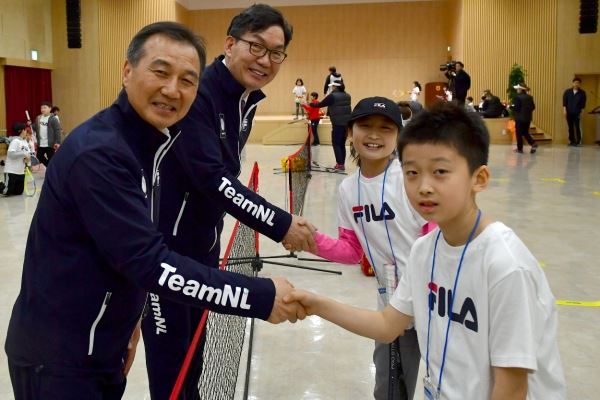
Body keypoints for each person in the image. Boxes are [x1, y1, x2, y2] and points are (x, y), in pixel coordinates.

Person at [5, 21, 304, 400]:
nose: (172, 90)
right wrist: (258, 297)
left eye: (187, 80)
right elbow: (151, 263)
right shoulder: (100, 155)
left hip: (101, 347)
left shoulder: (150, 147)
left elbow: (123, 250)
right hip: (59, 360)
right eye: (160, 72)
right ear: (127, 71)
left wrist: (130, 321)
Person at [287, 102, 566, 399]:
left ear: (479, 178)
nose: (424, 187)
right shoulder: (424, 252)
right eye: (413, 173)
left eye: (440, 171)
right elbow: (386, 325)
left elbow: (511, 387)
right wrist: (314, 302)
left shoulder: (506, 266)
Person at [142, 7, 314, 400]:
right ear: (230, 44)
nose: (266, 60)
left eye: (276, 52)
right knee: (172, 373)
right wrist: (279, 223)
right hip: (164, 256)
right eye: (256, 47)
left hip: (203, 247)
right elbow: (213, 180)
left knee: (196, 358)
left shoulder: (242, 98)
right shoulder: (200, 94)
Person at [306, 96, 434, 400]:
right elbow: (352, 249)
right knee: (390, 390)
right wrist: (311, 242)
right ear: (350, 132)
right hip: (392, 310)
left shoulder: (411, 178)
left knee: (449, 383)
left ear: (399, 136)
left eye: (385, 128)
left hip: (434, 302)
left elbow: (436, 236)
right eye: (365, 126)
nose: (374, 135)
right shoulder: (349, 189)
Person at [309, 82, 351, 170]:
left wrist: (310, 104)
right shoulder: (347, 95)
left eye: (332, 86)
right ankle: (342, 164)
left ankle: (339, 165)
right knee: (342, 144)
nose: (331, 88)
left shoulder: (333, 96)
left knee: (336, 144)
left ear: (335, 87)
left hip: (337, 123)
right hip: (346, 124)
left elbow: (320, 104)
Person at [0, 122, 32, 196]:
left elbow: (28, 155)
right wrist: (23, 154)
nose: (26, 132)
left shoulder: (25, 142)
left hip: (21, 172)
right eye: (25, 130)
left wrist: (27, 159)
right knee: (6, 191)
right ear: (22, 131)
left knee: (18, 192)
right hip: (11, 171)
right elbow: (10, 154)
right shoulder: (15, 141)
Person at [31, 100, 61, 166]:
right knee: (39, 157)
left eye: (45, 107)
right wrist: (30, 124)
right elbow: (35, 127)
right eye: (41, 108)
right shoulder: (38, 118)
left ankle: (51, 170)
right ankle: (49, 167)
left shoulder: (53, 119)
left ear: (50, 108)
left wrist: (58, 142)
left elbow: (57, 130)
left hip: (50, 144)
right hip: (41, 143)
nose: (42, 109)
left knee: (51, 158)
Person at [510, 83, 538, 154]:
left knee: (519, 133)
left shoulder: (517, 98)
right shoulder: (530, 97)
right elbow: (533, 107)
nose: (516, 90)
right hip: (528, 118)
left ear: (520, 89)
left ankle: (520, 149)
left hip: (519, 118)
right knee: (525, 132)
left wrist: (510, 107)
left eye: (517, 89)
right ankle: (533, 143)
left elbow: (516, 108)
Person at [563, 77, 587, 146]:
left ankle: (578, 141)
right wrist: (564, 110)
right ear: (573, 83)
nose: (576, 84)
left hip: (577, 113)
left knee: (577, 127)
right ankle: (572, 141)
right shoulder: (567, 92)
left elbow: (583, 104)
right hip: (569, 112)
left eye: (578, 83)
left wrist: (582, 113)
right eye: (575, 83)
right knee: (570, 127)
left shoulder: (582, 93)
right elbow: (564, 102)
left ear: (580, 84)